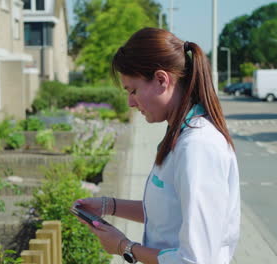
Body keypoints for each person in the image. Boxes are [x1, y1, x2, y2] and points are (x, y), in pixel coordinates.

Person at [73, 27, 240, 264]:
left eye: (133, 90)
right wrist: (107, 205)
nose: (130, 102)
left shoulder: (198, 148)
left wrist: (124, 246)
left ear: (162, 80)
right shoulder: (180, 136)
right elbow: (168, 212)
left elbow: (195, 260)